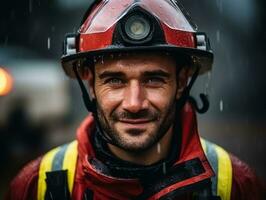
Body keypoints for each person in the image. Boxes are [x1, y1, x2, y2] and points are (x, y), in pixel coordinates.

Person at [6, 0, 265, 199]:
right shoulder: (35, 185)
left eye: (154, 79)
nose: (134, 103)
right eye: (115, 80)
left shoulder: (236, 185)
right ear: (89, 81)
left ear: (182, 81)